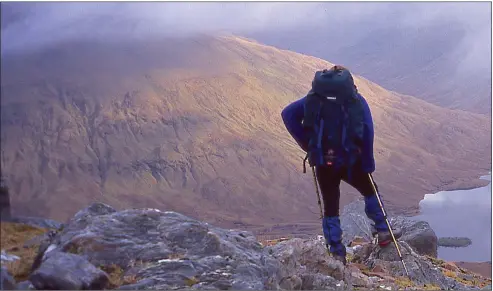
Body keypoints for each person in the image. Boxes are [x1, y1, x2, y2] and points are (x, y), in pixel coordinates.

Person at [281, 65, 401, 265]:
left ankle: (337, 252)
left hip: (322, 161)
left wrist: (308, 145)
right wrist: (367, 162)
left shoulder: (313, 100)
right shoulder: (356, 100)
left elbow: (288, 115)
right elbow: (367, 130)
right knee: (370, 191)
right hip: (351, 160)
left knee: (330, 205)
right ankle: (382, 230)